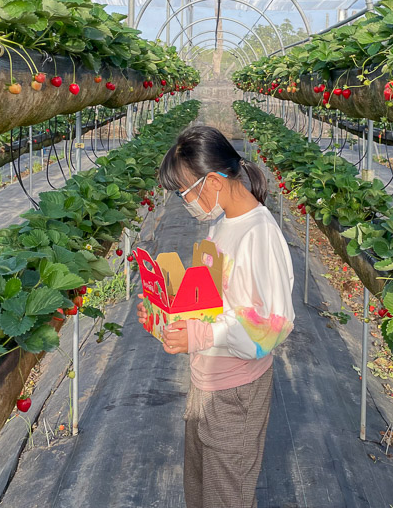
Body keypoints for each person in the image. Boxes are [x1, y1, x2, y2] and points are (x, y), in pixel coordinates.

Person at [136, 125, 295, 508]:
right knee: (202, 491)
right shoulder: (223, 223)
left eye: (184, 191)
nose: (184, 201)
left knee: (227, 495)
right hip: (206, 383)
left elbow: (273, 327)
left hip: (235, 394)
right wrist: (168, 309)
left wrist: (202, 337)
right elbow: (218, 299)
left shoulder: (259, 235)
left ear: (212, 181)